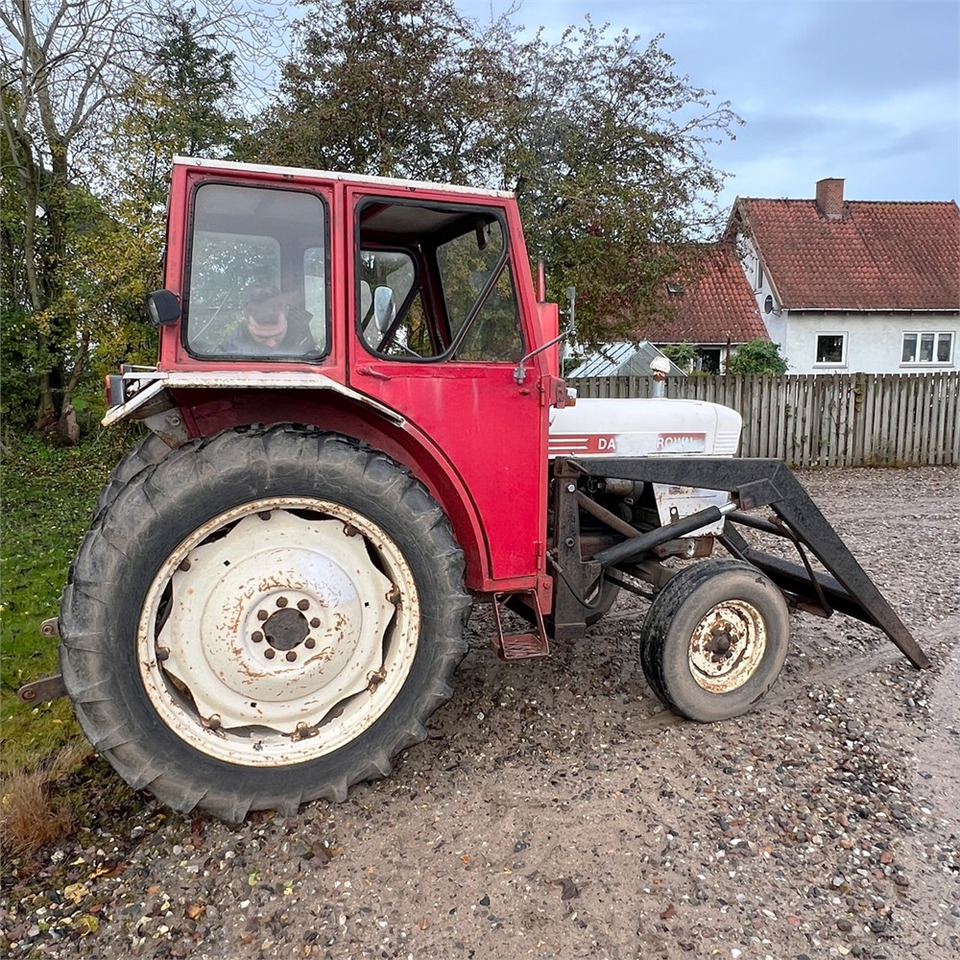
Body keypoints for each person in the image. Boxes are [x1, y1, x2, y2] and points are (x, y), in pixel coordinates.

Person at [223, 284, 317, 356]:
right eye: (262, 337)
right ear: (246, 323)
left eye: (278, 335)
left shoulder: (302, 334)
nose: (271, 344)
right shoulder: (233, 347)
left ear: (286, 317)